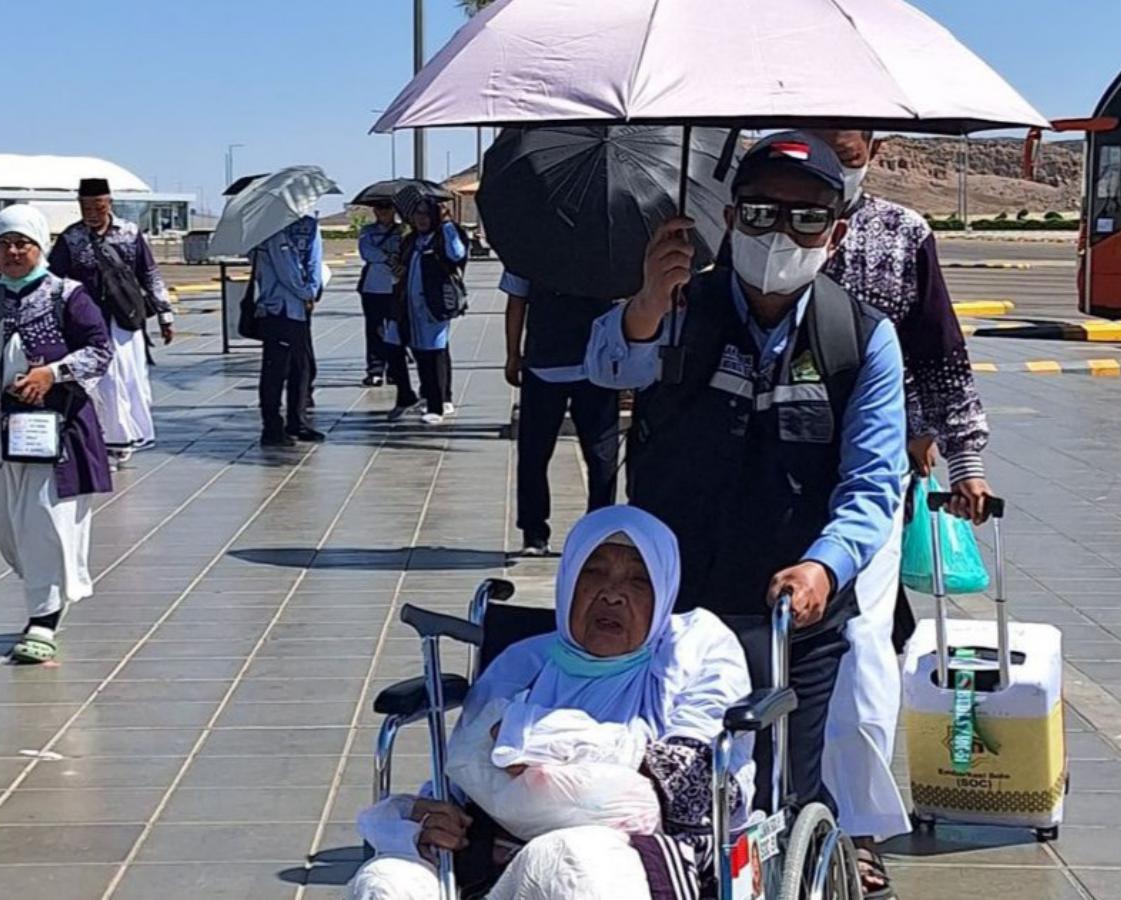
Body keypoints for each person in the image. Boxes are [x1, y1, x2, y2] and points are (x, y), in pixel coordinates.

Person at [586, 134, 907, 824]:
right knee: (663, 780)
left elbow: (873, 483)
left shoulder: (860, 336)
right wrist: (646, 303)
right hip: (672, 605)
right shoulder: (676, 307)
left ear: (835, 233)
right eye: (761, 213)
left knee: (783, 789)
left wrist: (824, 566)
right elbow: (608, 368)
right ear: (729, 219)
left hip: (791, 612)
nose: (781, 232)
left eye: (807, 218)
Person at [348, 506, 755, 900]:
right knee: (386, 881)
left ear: (664, 590)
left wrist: (544, 739)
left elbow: (693, 786)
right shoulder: (523, 661)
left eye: (638, 580)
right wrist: (430, 819)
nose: (612, 595)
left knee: (566, 861)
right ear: (568, 579)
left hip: (626, 863)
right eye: (594, 572)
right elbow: (464, 776)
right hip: (497, 866)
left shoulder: (695, 646)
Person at [809, 129, 996, 897]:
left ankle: (856, 824)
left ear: (873, 146)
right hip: (763, 479)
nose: (832, 156)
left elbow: (939, 354)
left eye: (845, 144)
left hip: (869, 482)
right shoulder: (748, 217)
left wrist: (963, 459)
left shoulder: (901, 233)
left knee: (860, 650)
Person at [0, 206, 113, 664]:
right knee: (6, 525)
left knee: (43, 521)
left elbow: (99, 350)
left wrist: (51, 374)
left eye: (23, 243)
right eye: (3, 244)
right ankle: (45, 594)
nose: (13, 252)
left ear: (40, 246)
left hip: (53, 437)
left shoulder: (67, 295)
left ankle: (43, 619)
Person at [48, 178, 174, 470]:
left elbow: (149, 274)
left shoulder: (129, 233)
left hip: (125, 320)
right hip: (87, 323)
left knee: (130, 380)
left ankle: (127, 437)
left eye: (98, 207)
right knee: (102, 383)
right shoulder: (71, 238)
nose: (92, 213)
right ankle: (108, 442)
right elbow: (54, 280)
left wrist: (165, 315)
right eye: (86, 208)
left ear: (109, 204)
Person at [502, 271, 619, 556]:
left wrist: (513, 354)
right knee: (601, 456)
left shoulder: (527, 252)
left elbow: (516, 302)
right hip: (592, 365)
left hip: (550, 362)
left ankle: (534, 535)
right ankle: (597, 532)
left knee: (535, 454)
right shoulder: (607, 251)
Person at [384, 186, 465, 426]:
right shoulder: (411, 241)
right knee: (395, 347)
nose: (421, 219)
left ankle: (436, 404)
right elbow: (402, 266)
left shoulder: (443, 236)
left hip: (434, 306)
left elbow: (457, 254)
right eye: (417, 214)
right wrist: (397, 269)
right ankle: (406, 395)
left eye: (426, 214)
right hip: (405, 306)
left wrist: (448, 225)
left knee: (432, 353)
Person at [251, 215, 324, 447]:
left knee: (301, 367)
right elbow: (287, 270)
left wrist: (313, 289)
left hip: (297, 310)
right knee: (276, 369)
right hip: (278, 308)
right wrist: (307, 292)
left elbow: (314, 260)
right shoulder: (270, 229)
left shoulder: (310, 225)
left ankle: (297, 420)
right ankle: (272, 426)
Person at [358, 203, 405, 387]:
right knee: (374, 330)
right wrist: (388, 258)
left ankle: (395, 370)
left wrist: (400, 263)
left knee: (396, 331)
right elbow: (367, 252)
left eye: (387, 208)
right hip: (373, 287)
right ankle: (375, 370)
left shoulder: (403, 231)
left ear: (394, 210)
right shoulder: (367, 231)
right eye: (379, 208)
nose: (383, 212)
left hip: (397, 287)